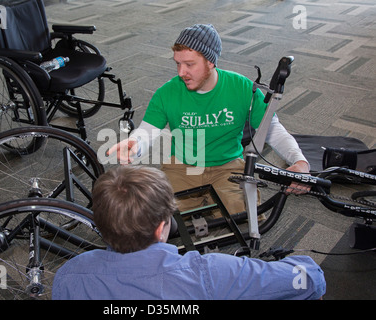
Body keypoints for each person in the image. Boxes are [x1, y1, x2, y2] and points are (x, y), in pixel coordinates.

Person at [107, 24, 310, 215]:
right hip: (182, 166)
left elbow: (272, 129)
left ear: (210, 61)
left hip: (228, 165)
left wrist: (299, 161)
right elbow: (147, 131)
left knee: (244, 217)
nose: (181, 72)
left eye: (189, 64)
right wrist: (135, 143)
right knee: (161, 220)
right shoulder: (167, 93)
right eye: (177, 63)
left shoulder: (242, 88)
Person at [52, 165, 326, 300]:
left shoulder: (70, 274)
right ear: (162, 227)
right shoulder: (211, 273)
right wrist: (298, 263)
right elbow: (311, 279)